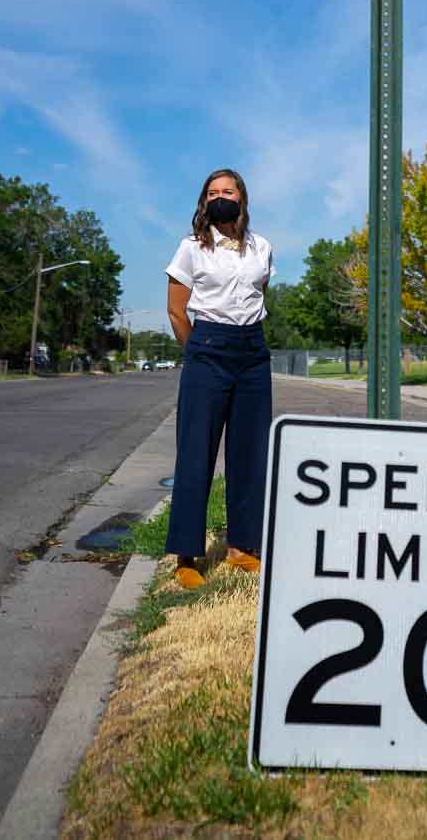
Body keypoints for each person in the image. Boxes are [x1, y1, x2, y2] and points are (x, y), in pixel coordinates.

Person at [164, 168, 275, 589]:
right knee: (195, 452)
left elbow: (258, 294)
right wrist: (197, 351)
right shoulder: (191, 248)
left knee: (251, 453)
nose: (220, 197)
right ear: (203, 202)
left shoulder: (261, 248)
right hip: (208, 348)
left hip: (252, 353)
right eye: (212, 192)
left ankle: (242, 546)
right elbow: (177, 310)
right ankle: (186, 553)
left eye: (227, 191)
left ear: (242, 198)